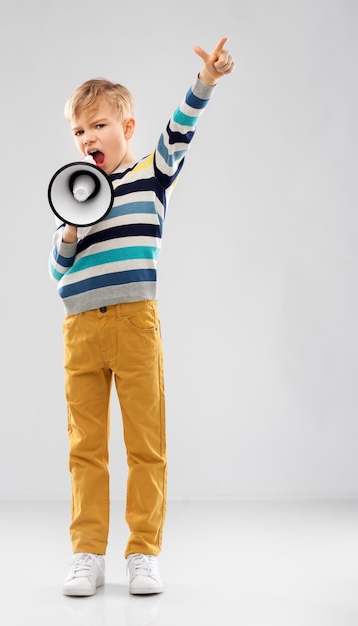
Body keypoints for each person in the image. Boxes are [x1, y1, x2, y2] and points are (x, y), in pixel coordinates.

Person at [48, 37, 235, 596]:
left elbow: (181, 130)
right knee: (86, 447)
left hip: (134, 324)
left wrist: (204, 81)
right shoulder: (73, 193)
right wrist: (70, 231)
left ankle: (143, 553)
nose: (87, 139)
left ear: (126, 128)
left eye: (98, 126)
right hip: (81, 328)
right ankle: (87, 554)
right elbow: (57, 273)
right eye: (78, 131)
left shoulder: (152, 174)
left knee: (145, 443)